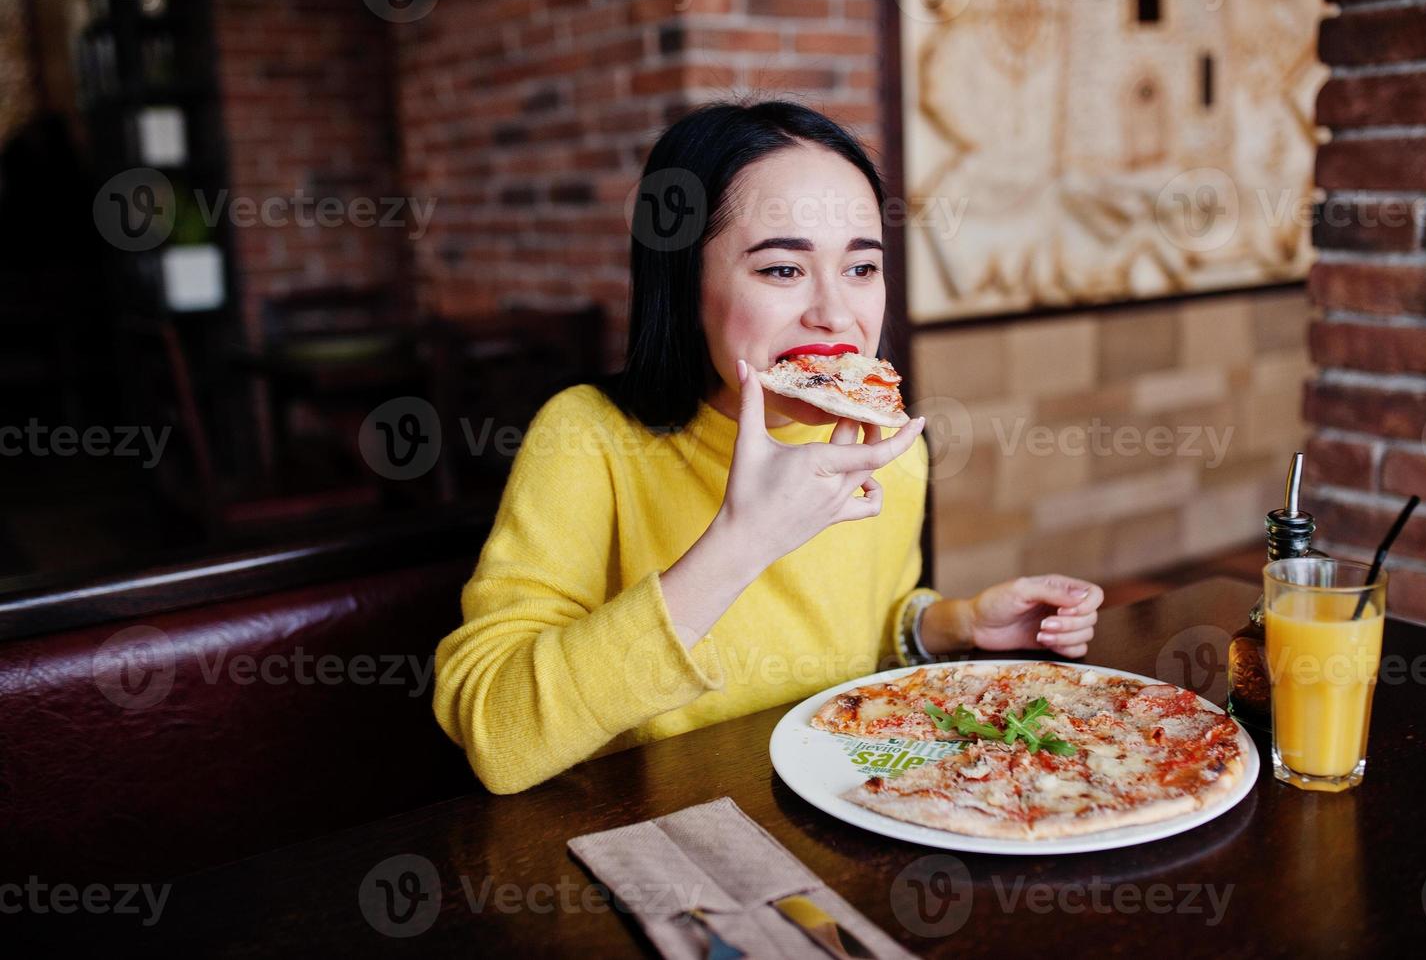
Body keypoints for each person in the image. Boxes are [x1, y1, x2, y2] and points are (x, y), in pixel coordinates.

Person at [433, 100, 1104, 794]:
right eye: (782, 270)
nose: (836, 314)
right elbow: (495, 735)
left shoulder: (891, 446)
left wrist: (952, 623)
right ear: (684, 282)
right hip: (658, 824)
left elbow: (847, 643)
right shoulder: (586, 436)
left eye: (861, 268)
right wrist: (741, 539)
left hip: (846, 800)